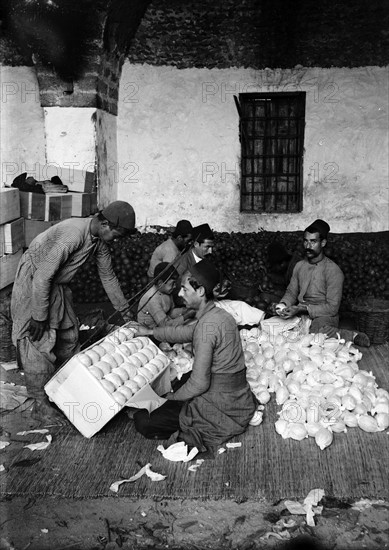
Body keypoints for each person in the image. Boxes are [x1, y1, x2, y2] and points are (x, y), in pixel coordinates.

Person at [11, 200, 137, 425]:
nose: (117, 239)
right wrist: (39, 315)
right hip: (35, 282)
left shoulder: (98, 241)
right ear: (105, 224)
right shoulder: (73, 234)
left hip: (57, 284)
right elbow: (41, 277)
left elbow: (108, 276)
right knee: (39, 341)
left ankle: (63, 391)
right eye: (118, 234)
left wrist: (125, 311)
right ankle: (40, 405)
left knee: (69, 336)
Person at [131, 259, 257, 457]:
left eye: (184, 289)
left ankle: (186, 415)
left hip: (221, 404)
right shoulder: (219, 315)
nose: (180, 294)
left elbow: (199, 384)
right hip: (236, 394)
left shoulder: (207, 327)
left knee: (143, 420)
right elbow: (183, 333)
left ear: (200, 292)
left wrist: (168, 399)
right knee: (178, 383)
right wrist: (150, 331)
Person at [274, 219, 370, 346]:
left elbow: (332, 308)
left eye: (313, 242)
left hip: (324, 316)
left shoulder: (333, 271)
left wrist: (301, 309)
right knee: (268, 326)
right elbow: (291, 292)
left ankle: (351, 335)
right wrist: (282, 305)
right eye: (305, 241)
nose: (308, 246)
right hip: (300, 313)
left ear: (323, 243)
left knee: (315, 334)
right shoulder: (299, 266)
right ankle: (303, 328)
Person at [138, 262, 196, 328]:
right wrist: (185, 316)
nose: (174, 286)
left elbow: (170, 312)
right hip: (150, 331)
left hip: (164, 323)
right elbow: (164, 325)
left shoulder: (166, 292)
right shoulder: (152, 299)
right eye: (172, 283)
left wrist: (184, 311)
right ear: (160, 283)